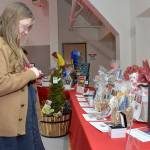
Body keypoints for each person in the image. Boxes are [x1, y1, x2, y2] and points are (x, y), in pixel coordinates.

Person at [0, 2, 45, 150]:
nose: (27, 32)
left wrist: (29, 72)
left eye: (29, 28)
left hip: (24, 118)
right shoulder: (2, 47)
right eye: (24, 26)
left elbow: (15, 74)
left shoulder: (14, 46)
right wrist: (29, 74)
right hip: (10, 126)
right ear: (10, 22)